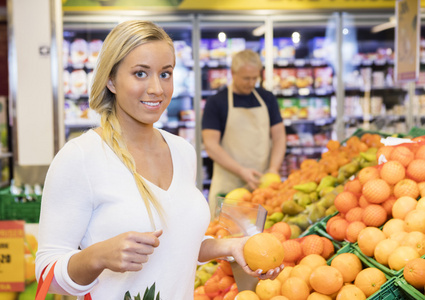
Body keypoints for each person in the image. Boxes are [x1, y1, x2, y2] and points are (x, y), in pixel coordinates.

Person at [35, 21, 283, 300]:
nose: (156, 88)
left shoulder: (182, 151)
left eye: (165, 74)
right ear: (111, 80)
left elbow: (177, 243)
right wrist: (97, 256)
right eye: (140, 73)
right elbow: (47, 274)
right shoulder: (80, 157)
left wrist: (229, 247)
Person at [202, 49, 286, 217]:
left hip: (262, 187)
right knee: (222, 234)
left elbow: (279, 137)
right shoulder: (216, 102)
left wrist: (274, 169)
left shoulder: (267, 98)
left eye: (255, 78)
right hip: (228, 186)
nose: (251, 83)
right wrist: (241, 171)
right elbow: (210, 145)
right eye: (246, 78)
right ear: (233, 73)